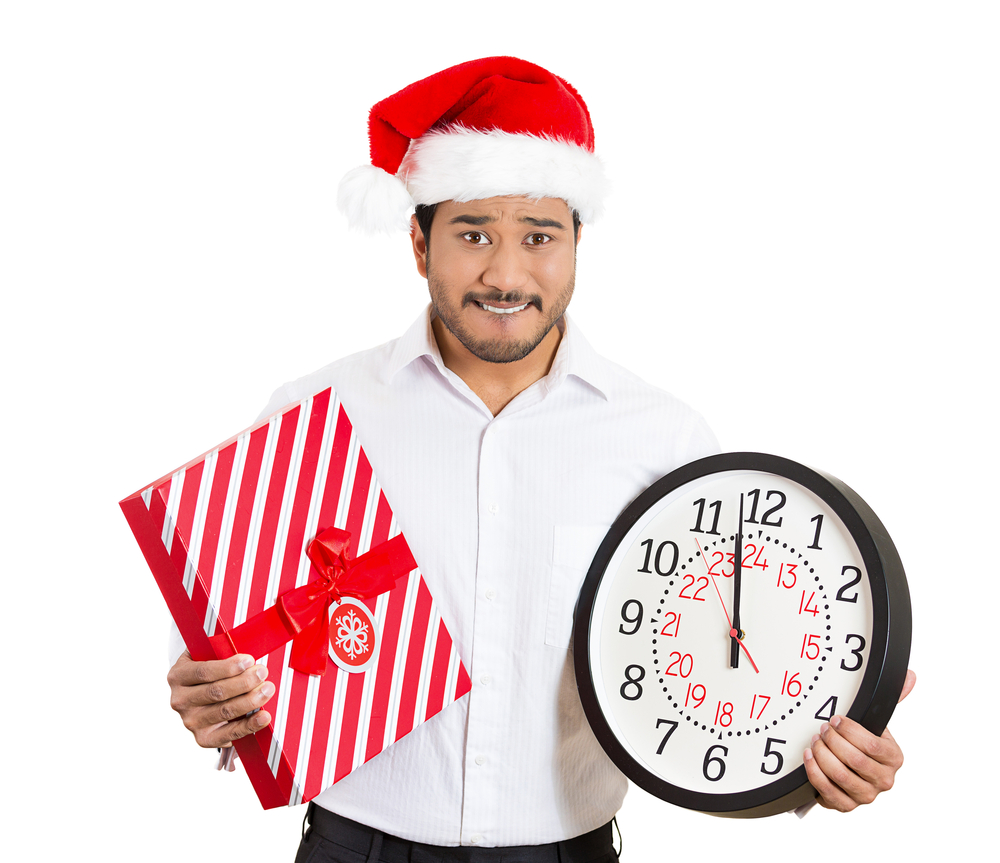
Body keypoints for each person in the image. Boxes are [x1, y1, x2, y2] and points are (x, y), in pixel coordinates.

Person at [165, 57, 915, 862]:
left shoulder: (664, 441)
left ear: (578, 242)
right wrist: (208, 694)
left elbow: (732, 652)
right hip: (355, 846)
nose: (506, 272)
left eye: (539, 236)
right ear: (418, 243)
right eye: (473, 233)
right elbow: (234, 630)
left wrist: (820, 760)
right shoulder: (318, 416)